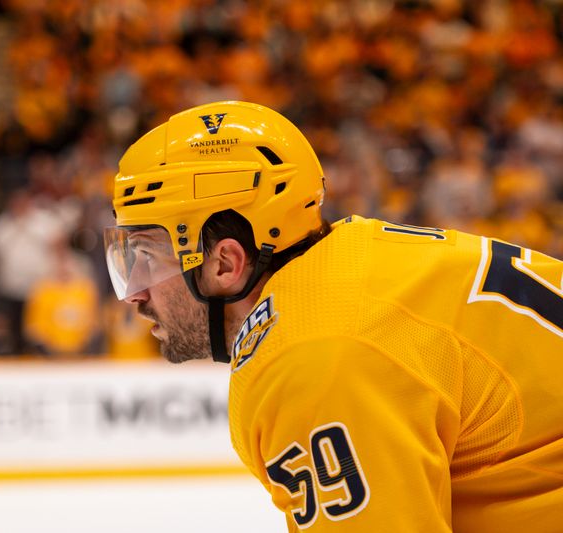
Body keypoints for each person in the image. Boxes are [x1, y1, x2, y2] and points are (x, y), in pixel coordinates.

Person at [104, 101, 563, 531]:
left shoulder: (313, 353)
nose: (134, 293)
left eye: (147, 255)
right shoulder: (351, 262)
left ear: (225, 262)